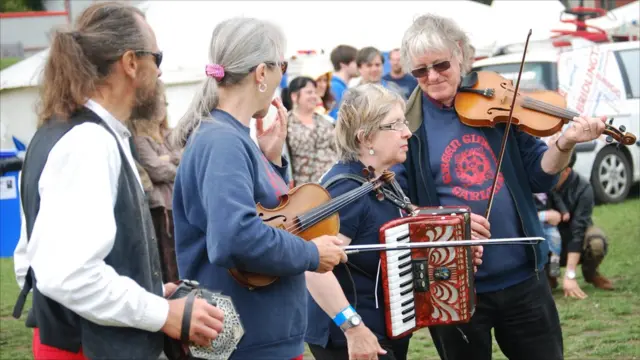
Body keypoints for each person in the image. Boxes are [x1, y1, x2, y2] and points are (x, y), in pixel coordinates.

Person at [11, 2, 223, 359]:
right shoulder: (88, 142)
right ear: (130, 63)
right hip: (87, 350)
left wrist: (145, 290)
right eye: (157, 57)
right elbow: (68, 276)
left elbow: (30, 262)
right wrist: (161, 313)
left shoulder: (66, 133)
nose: (159, 72)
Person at [398, 13, 608, 360]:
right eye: (420, 71)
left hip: (523, 276)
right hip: (453, 286)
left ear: (461, 54)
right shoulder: (407, 124)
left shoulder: (497, 98)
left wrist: (565, 142)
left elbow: (542, 175)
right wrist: (451, 222)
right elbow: (401, 206)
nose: (432, 77)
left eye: (441, 65)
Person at [170, 17, 347, 360]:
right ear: (261, 73)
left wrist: (270, 159)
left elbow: (264, 216)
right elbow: (234, 237)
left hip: (258, 338)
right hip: (250, 345)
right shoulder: (222, 141)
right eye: (282, 65)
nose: (283, 75)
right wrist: (311, 254)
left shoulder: (231, 137)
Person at [304, 84, 483, 360]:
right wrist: (354, 329)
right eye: (395, 125)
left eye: (404, 122)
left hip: (384, 328)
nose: (407, 132)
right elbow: (313, 268)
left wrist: (456, 254)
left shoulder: (382, 178)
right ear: (366, 138)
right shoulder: (346, 190)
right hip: (353, 338)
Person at [131, 82, 182, 283]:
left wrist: (168, 159)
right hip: (161, 209)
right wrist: (172, 160)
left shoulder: (169, 133)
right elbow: (155, 169)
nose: (164, 107)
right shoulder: (139, 139)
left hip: (177, 205)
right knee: (168, 264)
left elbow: (183, 156)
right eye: (160, 102)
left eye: (165, 102)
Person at [547, 151, 614, 297]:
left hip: (574, 237)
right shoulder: (540, 182)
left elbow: (578, 229)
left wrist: (570, 275)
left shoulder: (584, 188)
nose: (549, 171)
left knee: (596, 241)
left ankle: (590, 273)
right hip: (548, 239)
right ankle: (548, 276)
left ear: (567, 171)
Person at [282, 76, 338, 186]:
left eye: (314, 92)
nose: (314, 96)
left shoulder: (327, 121)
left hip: (332, 183)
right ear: (294, 96)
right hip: (305, 188)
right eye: (309, 92)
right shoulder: (285, 124)